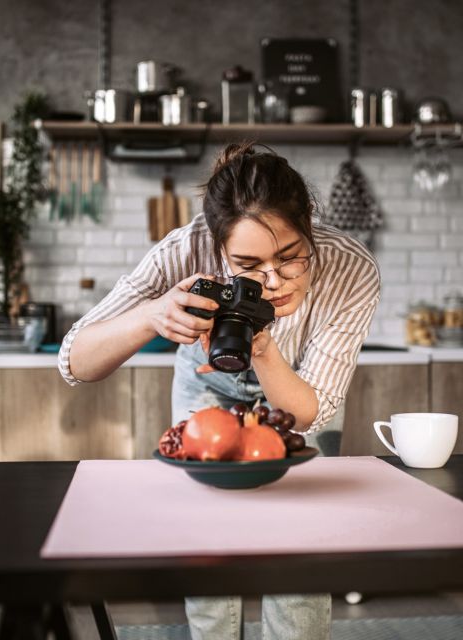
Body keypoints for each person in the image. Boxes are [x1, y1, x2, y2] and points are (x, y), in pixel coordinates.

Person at [58, 143, 381, 640]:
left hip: (296, 387)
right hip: (204, 381)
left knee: (299, 551)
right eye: (248, 265)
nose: (273, 281)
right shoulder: (182, 250)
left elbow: (310, 416)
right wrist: (152, 315)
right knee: (208, 548)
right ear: (217, 247)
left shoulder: (350, 270)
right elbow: (75, 361)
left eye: (291, 257)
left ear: (310, 222)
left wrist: (263, 347)